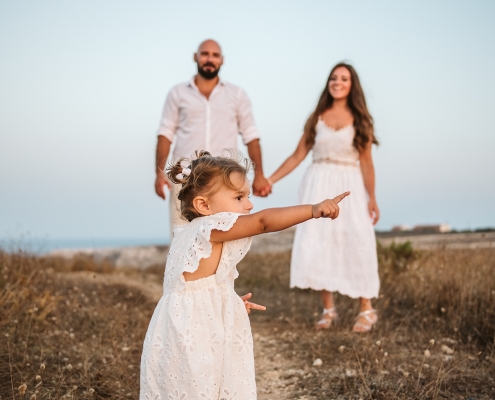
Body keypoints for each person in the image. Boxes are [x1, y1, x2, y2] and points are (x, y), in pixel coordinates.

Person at [140, 151, 349, 399]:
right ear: (204, 206)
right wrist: (313, 210)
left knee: (187, 387)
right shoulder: (210, 226)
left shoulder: (186, 232)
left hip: (177, 325)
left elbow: (193, 288)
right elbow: (263, 222)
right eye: (239, 197)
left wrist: (226, 303)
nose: (248, 204)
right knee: (202, 385)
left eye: (248, 196)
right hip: (193, 333)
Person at [268, 63, 380, 332]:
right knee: (319, 241)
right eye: (333, 77)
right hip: (318, 182)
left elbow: (366, 161)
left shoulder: (361, 119)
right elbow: (297, 156)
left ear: (352, 85)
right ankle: (328, 309)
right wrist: (270, 180)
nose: (337, 82)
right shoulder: (316, 117)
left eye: (344, 78)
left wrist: (372, 197)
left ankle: (367, 309)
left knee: (356, 240)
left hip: (349, 184)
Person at [154, 39, 271, 232]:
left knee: (228, 237)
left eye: (215, 55)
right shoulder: (177, 93)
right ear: (195, 57)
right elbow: (165, 134)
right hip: (185, 179)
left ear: (222, 60)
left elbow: (251, 137)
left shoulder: (237, 94)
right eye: (205, 54)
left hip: (225, 179)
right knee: (182, 236)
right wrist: (159, 174)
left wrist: (260, 175)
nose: (210, 59)